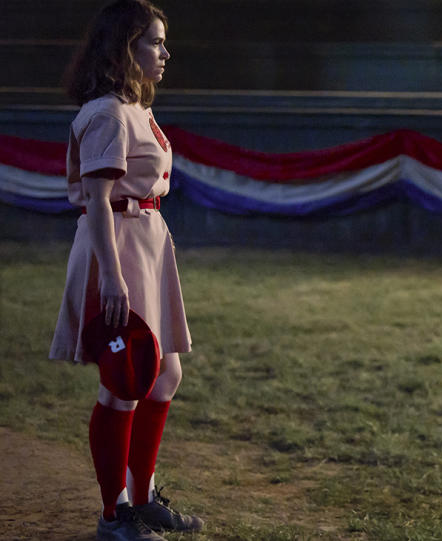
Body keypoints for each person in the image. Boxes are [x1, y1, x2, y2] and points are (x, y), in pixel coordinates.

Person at [50, 1, 203, 539]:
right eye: (154, 42)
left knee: (164, 373)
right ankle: (114, 515)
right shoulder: (108, 113)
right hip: (116, 246)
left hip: (147, 241)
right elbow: (96, 201)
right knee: (124, 382)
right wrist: (111, 277)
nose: (165, 52)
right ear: (125, 48)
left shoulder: (135, 107)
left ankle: (142, 499)